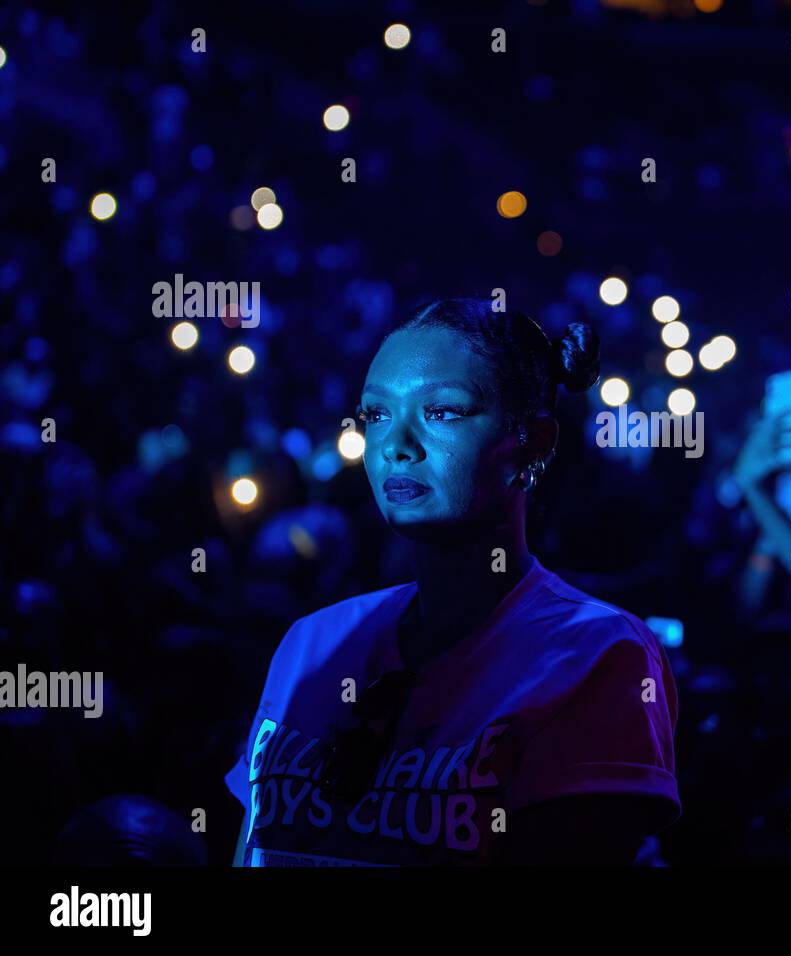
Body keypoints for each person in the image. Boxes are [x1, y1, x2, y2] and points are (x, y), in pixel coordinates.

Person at [225, 298, 679, 866]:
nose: (396, 445)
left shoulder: (597, 656)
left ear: (534, 443)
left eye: (442, 411)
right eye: (376, 414)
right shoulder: (310, 644)